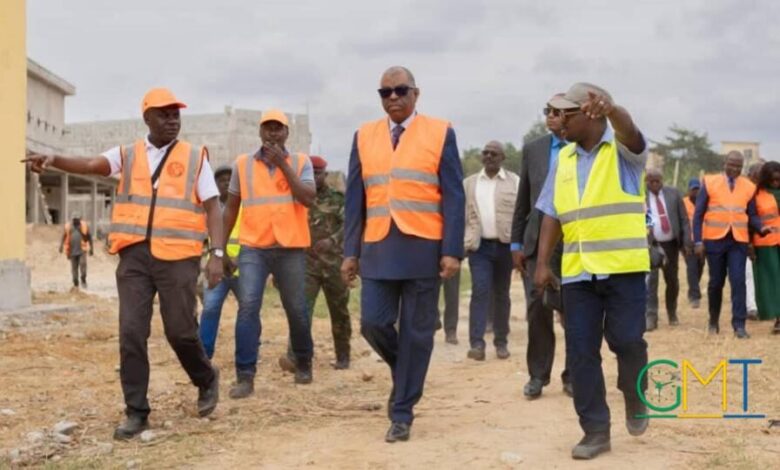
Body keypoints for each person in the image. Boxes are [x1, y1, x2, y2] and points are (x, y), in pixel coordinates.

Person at [24, 88, 223, 440]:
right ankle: (136, 411)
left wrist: (218, 254)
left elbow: (212, 207)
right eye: (164, 114)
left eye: (176, 114)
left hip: (178, 257)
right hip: (134, 257)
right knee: (131, 332)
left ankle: (206, 378)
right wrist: (53, 158)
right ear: (147, 118)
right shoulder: (127, 155)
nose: (172, 120)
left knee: (180, 331)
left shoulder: (195, 157)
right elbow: (90, 166)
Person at [342, 66, 465, 443]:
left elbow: (454, 195)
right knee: (372, 323)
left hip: (424, 248)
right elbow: (355, 199)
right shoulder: (364, 135)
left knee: (417, 332)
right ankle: (406, 369)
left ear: (416, 93)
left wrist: (452, 250)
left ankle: (402, 412)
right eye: (385, 92)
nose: (393, 97)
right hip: (378, 246)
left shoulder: (440, 132)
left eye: (400, 90)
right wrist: (350, 251)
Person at [533, 83, 650, 460]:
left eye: (565, 114)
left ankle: (635, 394)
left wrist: (613, 109)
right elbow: (552, 213)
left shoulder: (623, 153)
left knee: (627, 341)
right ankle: (596, 430)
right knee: (581, 353)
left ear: (589, 114)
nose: (558, 121)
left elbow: (630, 131)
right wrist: (542, 264)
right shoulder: (563, 159)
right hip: (578, 274)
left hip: (623, 270)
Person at [221, 108, 316, 396]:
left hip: (290, 248)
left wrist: (283, 166)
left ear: (287, 132)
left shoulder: (301, 162)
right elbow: (230, 210)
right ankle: (245, 376)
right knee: (248, 306)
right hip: (255, 247)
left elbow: (308, 198)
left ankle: (303, 361)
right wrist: (219, 250)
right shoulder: (242, 165)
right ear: (260, 132)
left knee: (296, 308)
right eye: (268, 128)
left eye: (278, 128)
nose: (273, 133)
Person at [512, 93, 573, 400]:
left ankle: (573, 375)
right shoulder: (534, 149)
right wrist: (516, 243)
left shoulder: (583, 148)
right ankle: (537, 375)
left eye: (557, 111)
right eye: (547, 110)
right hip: (537, 243)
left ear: (571, 116)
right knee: (537, 310)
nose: (550, 115)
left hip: (573, 242)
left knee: (574, 310)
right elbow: (524, 199)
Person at [279, 155, 352, 370]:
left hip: (334, 265)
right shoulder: (297, 199)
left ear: (325, 174)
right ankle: (296, 356)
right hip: (306, 265)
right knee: (301, 311)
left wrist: (332, 241)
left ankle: (343, 355)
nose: (314, 177)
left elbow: (349, 226)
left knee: (339, 311)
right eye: (310, 173)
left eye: (317, 173)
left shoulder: (338, 199)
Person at [692, 151, 770, 338]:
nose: (735, 169)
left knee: (738, 281)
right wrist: (698, 241)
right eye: (731, 164)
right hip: (715, 240)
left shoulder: (749, 187)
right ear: (724, 163)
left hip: (738, 241)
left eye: (738, 166)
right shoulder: (709, 182)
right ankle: (713, 321)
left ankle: (739, 326)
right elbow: (698, 214)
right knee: (716, 282)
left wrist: (761, 227)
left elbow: (751, 214)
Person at [463, 141, 518, 361]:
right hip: (480, 247)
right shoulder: (470, 183)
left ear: (502, 157)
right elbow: (462, 215)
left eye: (494, 154)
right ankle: (477, 344)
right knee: (480, 291)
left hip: (506, 246)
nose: (489, 157)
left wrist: (520, 246)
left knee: (502, 294)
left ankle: (501, 342)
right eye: (485, 153)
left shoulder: (514, 182)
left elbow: (521, 214)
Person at [198, 165, 241, 359]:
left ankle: (249, 349)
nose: (226, 183)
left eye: (229, 179)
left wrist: (239, 259)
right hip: (216, 268)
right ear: (214, 184)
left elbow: (253, 235)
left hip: (242, 268)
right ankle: (204, 354)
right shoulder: (207, 209)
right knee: (210, 308)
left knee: (249, 311)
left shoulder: (245, 207)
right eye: (221, 180)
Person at [644, 168, 690, 331]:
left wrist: (686, 241)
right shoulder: (641, 197)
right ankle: (651, 316)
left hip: (671, 245)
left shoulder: (673, 194)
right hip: (651, 245)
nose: (655, 184)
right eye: (651, 181)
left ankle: (672, 312)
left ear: (662, 180)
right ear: (646, 181)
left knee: (672, 281)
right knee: (651, 282)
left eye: (658, 181)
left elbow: (684, 219)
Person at [752, 161, 780, 333]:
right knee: (771, 281)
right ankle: (776, 316)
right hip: (765, 244)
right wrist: (750, 245)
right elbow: (751, 218)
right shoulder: (756, 194)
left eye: (778, 180)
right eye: (772, 180)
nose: (776, 183)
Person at [682, 178, 705, 308]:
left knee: (700, 266)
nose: (696, 192)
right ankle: (695, 296)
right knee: (692, 268)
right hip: (688, 242)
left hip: (702, 240)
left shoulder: (705, 202)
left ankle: (693, 290)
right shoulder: (683, 203)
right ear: (689, 190)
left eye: (698, 189)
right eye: (693, 189)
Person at [745, 162, 763, 320]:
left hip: (766, 240)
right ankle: (751, 307)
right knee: (748, 274)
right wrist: (749, 242)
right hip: (745, 239)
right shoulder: (745, 192)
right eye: (756, 176)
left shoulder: (766, 192)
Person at [59, 212, 93, 289]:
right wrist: (61, 246)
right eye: (74, 220)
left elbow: (89, 237)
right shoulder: (68, 226)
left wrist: (91, 248)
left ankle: (83, 279)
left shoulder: (84, 226)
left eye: (77, 219)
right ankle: (76, 284)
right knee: (74, 270)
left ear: (80, 219)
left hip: (82, 250)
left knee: (83, 265)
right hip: (72, 251)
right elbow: (64, 236)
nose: (75, 221)